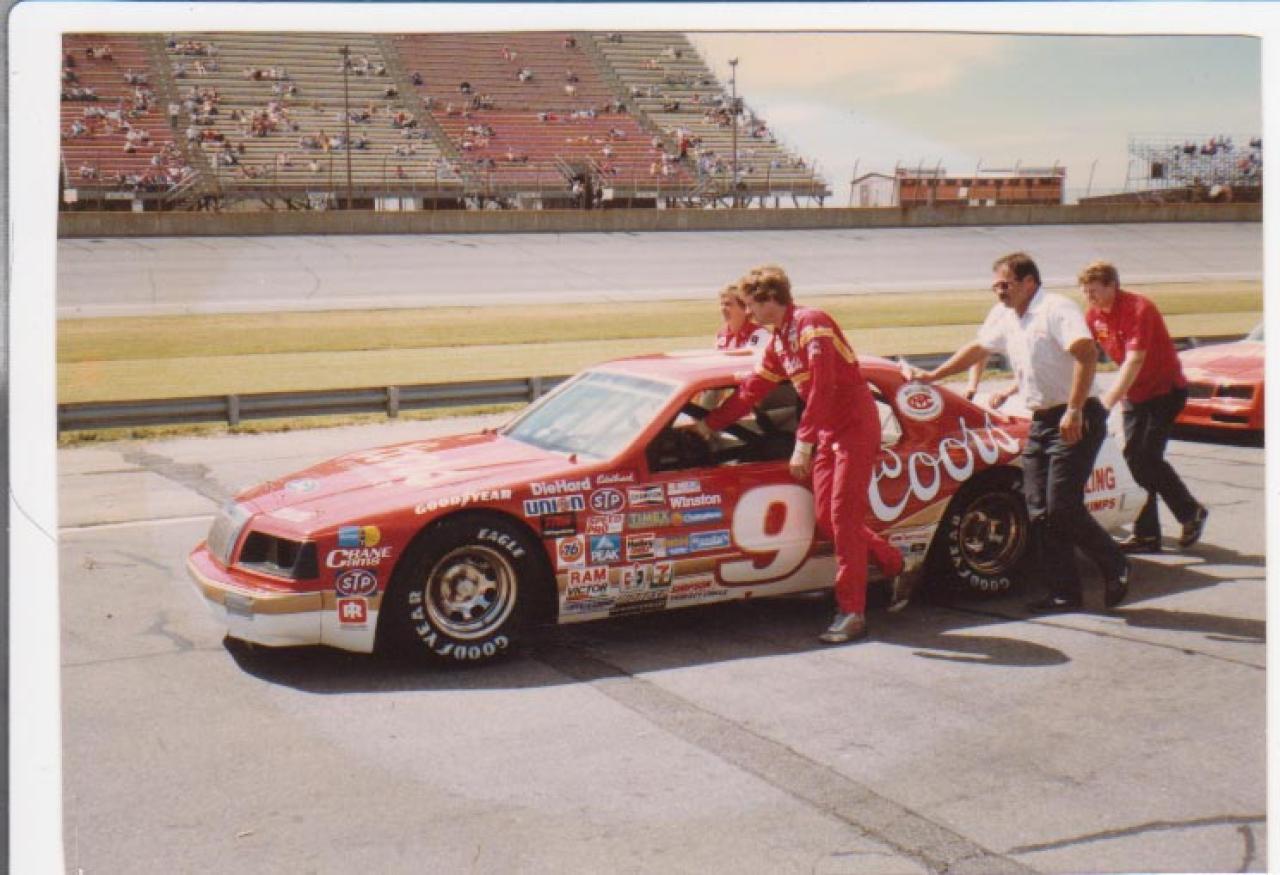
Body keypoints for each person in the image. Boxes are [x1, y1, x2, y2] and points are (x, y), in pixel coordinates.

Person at [902, 252, 1130, 613]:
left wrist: (1074, 409)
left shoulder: (1056, 308)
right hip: (1041, 418)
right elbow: (977, 348)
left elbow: (1087, 354)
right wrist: (933, 376)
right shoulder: (1004, 315)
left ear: (1029, 282)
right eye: (995, 286)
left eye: (1005, 284)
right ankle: (1064, 592)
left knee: (1063, 506)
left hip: (1077, 413)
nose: (1000, 292)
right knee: (1037, 508)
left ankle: (1115, 563)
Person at [695, 266, 907, 644]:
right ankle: (895, 563)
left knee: (843, 519)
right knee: (827, 518)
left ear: (769, 299)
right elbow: (750, 390)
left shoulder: (812, 323)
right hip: (827, 431)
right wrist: (707, 425)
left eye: (750, 304)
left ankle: (852, 612)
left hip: (855, 429)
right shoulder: (779, 342)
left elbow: (823, 387)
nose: (749, 313)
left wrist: (803, 444)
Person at [1079, 260, 1208, 552]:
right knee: (1134, 461)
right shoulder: (1093, 316)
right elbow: (1082, 355)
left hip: (1165, 392)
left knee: (1146, 458)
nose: (1089, 297)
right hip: (1135, 395)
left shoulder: (1140, 309)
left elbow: (1135, 359)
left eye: (1094, 291)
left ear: (1113, 286)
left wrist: (1108, 400)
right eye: (1085, 292)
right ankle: (1148, 535)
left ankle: (1190, 512)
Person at [714, 283, 769, 350]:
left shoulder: (759, 333)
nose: (723, 308)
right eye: (721, 304)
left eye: (728, 304)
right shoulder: (721, 335)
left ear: (745, 308)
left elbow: (750, 354)